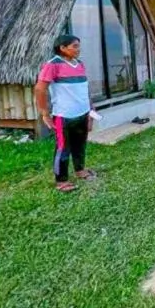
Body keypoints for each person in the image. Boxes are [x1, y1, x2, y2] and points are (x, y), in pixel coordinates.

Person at [35, 34, 96, 193]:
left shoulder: (80, 64)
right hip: (64, 115)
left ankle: (80, 170)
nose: (78, 49)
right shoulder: (53, 65)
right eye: (74, 46)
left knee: (80, 144)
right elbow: (40, 89)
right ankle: (61, 180)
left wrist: (91, 111)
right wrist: (45, 113)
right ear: (62, 48)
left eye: (78, 46)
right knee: (63, 147)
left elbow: (85, 89)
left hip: (82, 113)